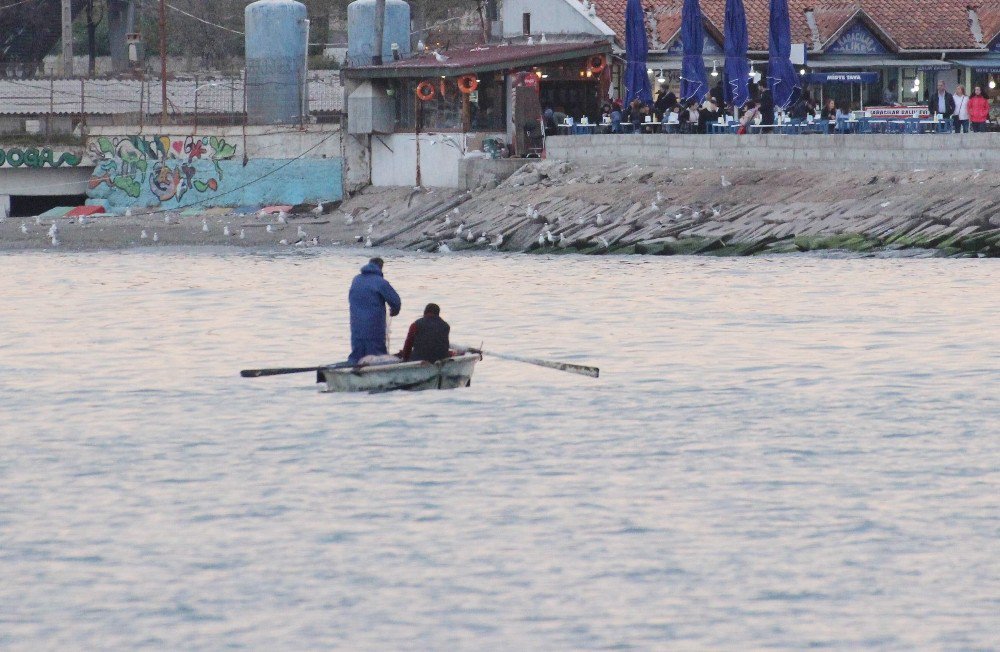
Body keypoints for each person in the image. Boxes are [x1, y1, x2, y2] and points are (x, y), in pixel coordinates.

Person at [348, 257, 401, 365]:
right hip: (374, 324)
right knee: (377, 353)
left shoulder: (356, 280)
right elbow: (395, 301)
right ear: (381, 267)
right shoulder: (380, 282)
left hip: (356, 323)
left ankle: (355, 368)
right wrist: (394, 311)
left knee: (358, 353)